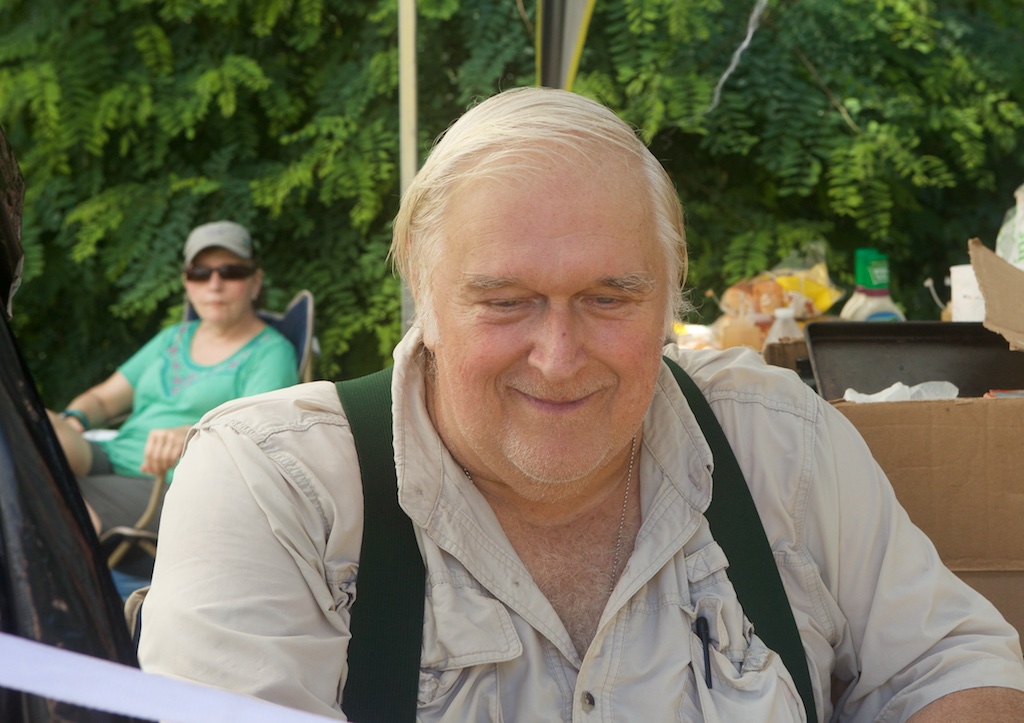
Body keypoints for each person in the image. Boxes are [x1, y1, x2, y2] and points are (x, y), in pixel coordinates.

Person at [137, 89, 1024, 721]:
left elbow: (955, 663)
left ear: (671, 297)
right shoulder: (275, 490)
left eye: (609, 298)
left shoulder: (777, 439)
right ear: (425, 303)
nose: (559, 359)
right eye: (505, 301)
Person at [48, 220, 299, 535]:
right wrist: (75, 418)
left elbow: (259, 439)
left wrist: (194, 435)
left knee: (41, 494)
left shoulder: (271, 353)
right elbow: (102, 399)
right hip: (112, 457)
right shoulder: (173, 338)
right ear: (187, 282)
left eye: (231, 272)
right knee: (30, 424)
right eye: (200, 273)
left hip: (172, 485)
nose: (215, 284)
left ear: (255, 281)